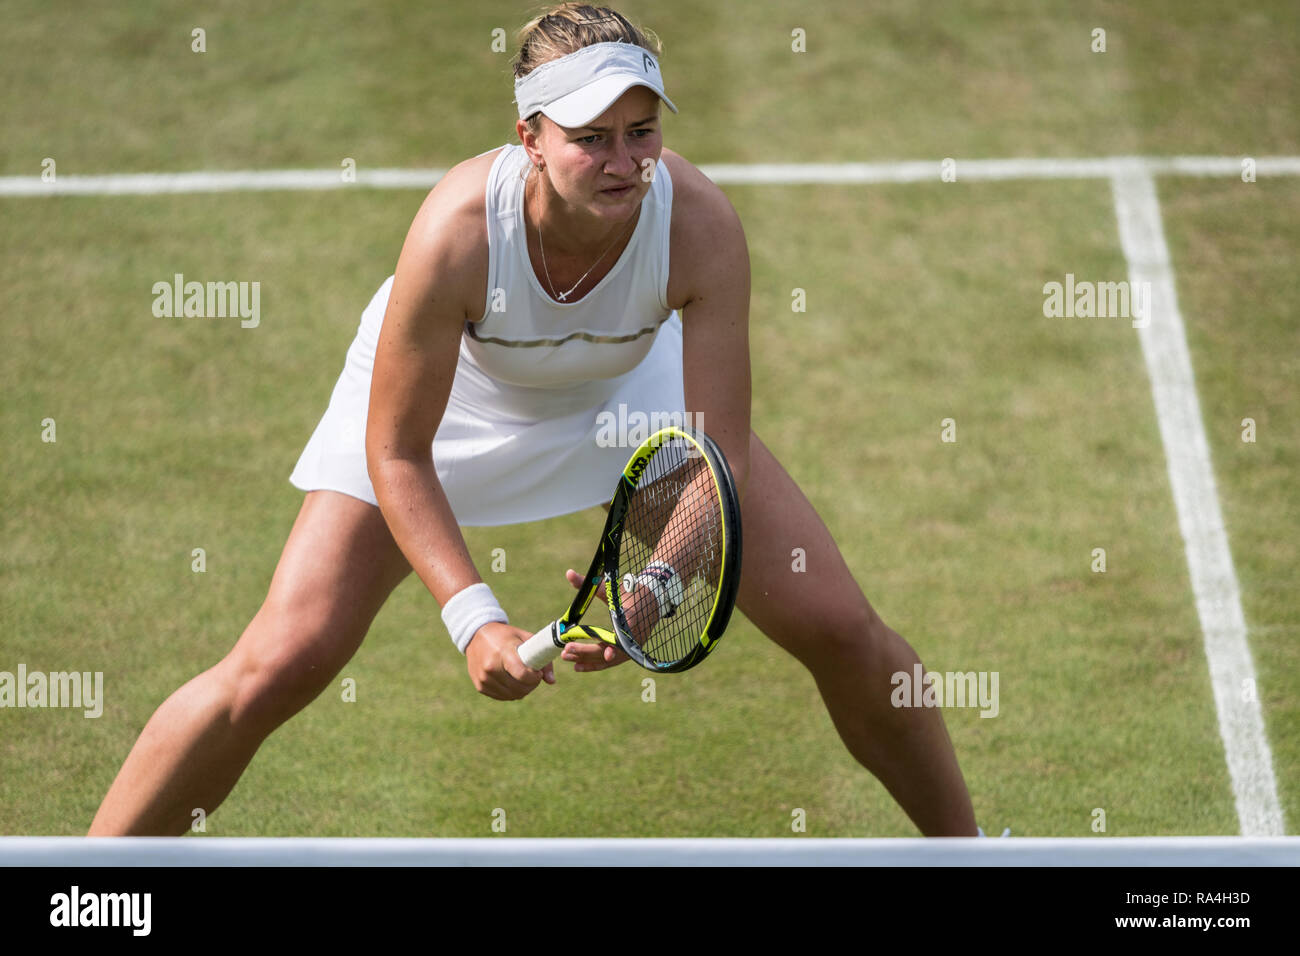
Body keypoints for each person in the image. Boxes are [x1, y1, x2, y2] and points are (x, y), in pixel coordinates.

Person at [89, 2, 978, 837]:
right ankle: (80, 890)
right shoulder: (459, 233)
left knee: (845, 632)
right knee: (277, 663)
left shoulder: (698, 224)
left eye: (642, 132)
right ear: (531, 139)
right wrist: (473, 619)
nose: (626, 162)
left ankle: (975, 857)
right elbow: (396, 450)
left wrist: (661, 586)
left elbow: (716, 460)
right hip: (452, 412)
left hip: (626, 401)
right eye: (591, 139)